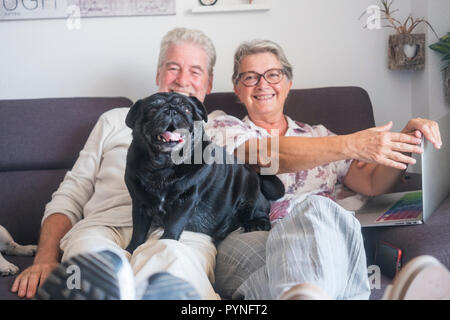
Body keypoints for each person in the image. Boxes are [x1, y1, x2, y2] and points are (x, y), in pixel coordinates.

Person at [206, 39, 444, 300]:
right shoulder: (222, 127)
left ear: (288, 84)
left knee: (321, 219)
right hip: (254, 239)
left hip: (324, 240)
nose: (263, 84)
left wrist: (406, 142)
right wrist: (350, 143)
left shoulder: (317, 134)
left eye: (273, 75)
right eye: (250, 77)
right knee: (315, 212)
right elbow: (267, 156)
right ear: (237, 90)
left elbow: (372, 183)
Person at [11, 27, 220, 300]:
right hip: (102, 228)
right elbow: (72, 193)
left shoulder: (220, 129)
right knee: (90, 267)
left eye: (195, 71)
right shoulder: (114, 120)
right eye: (173, 68)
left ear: (209, 83)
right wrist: (45, 257)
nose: (182, 79)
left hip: (178, 235)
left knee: (173, 266)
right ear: (158, 74)